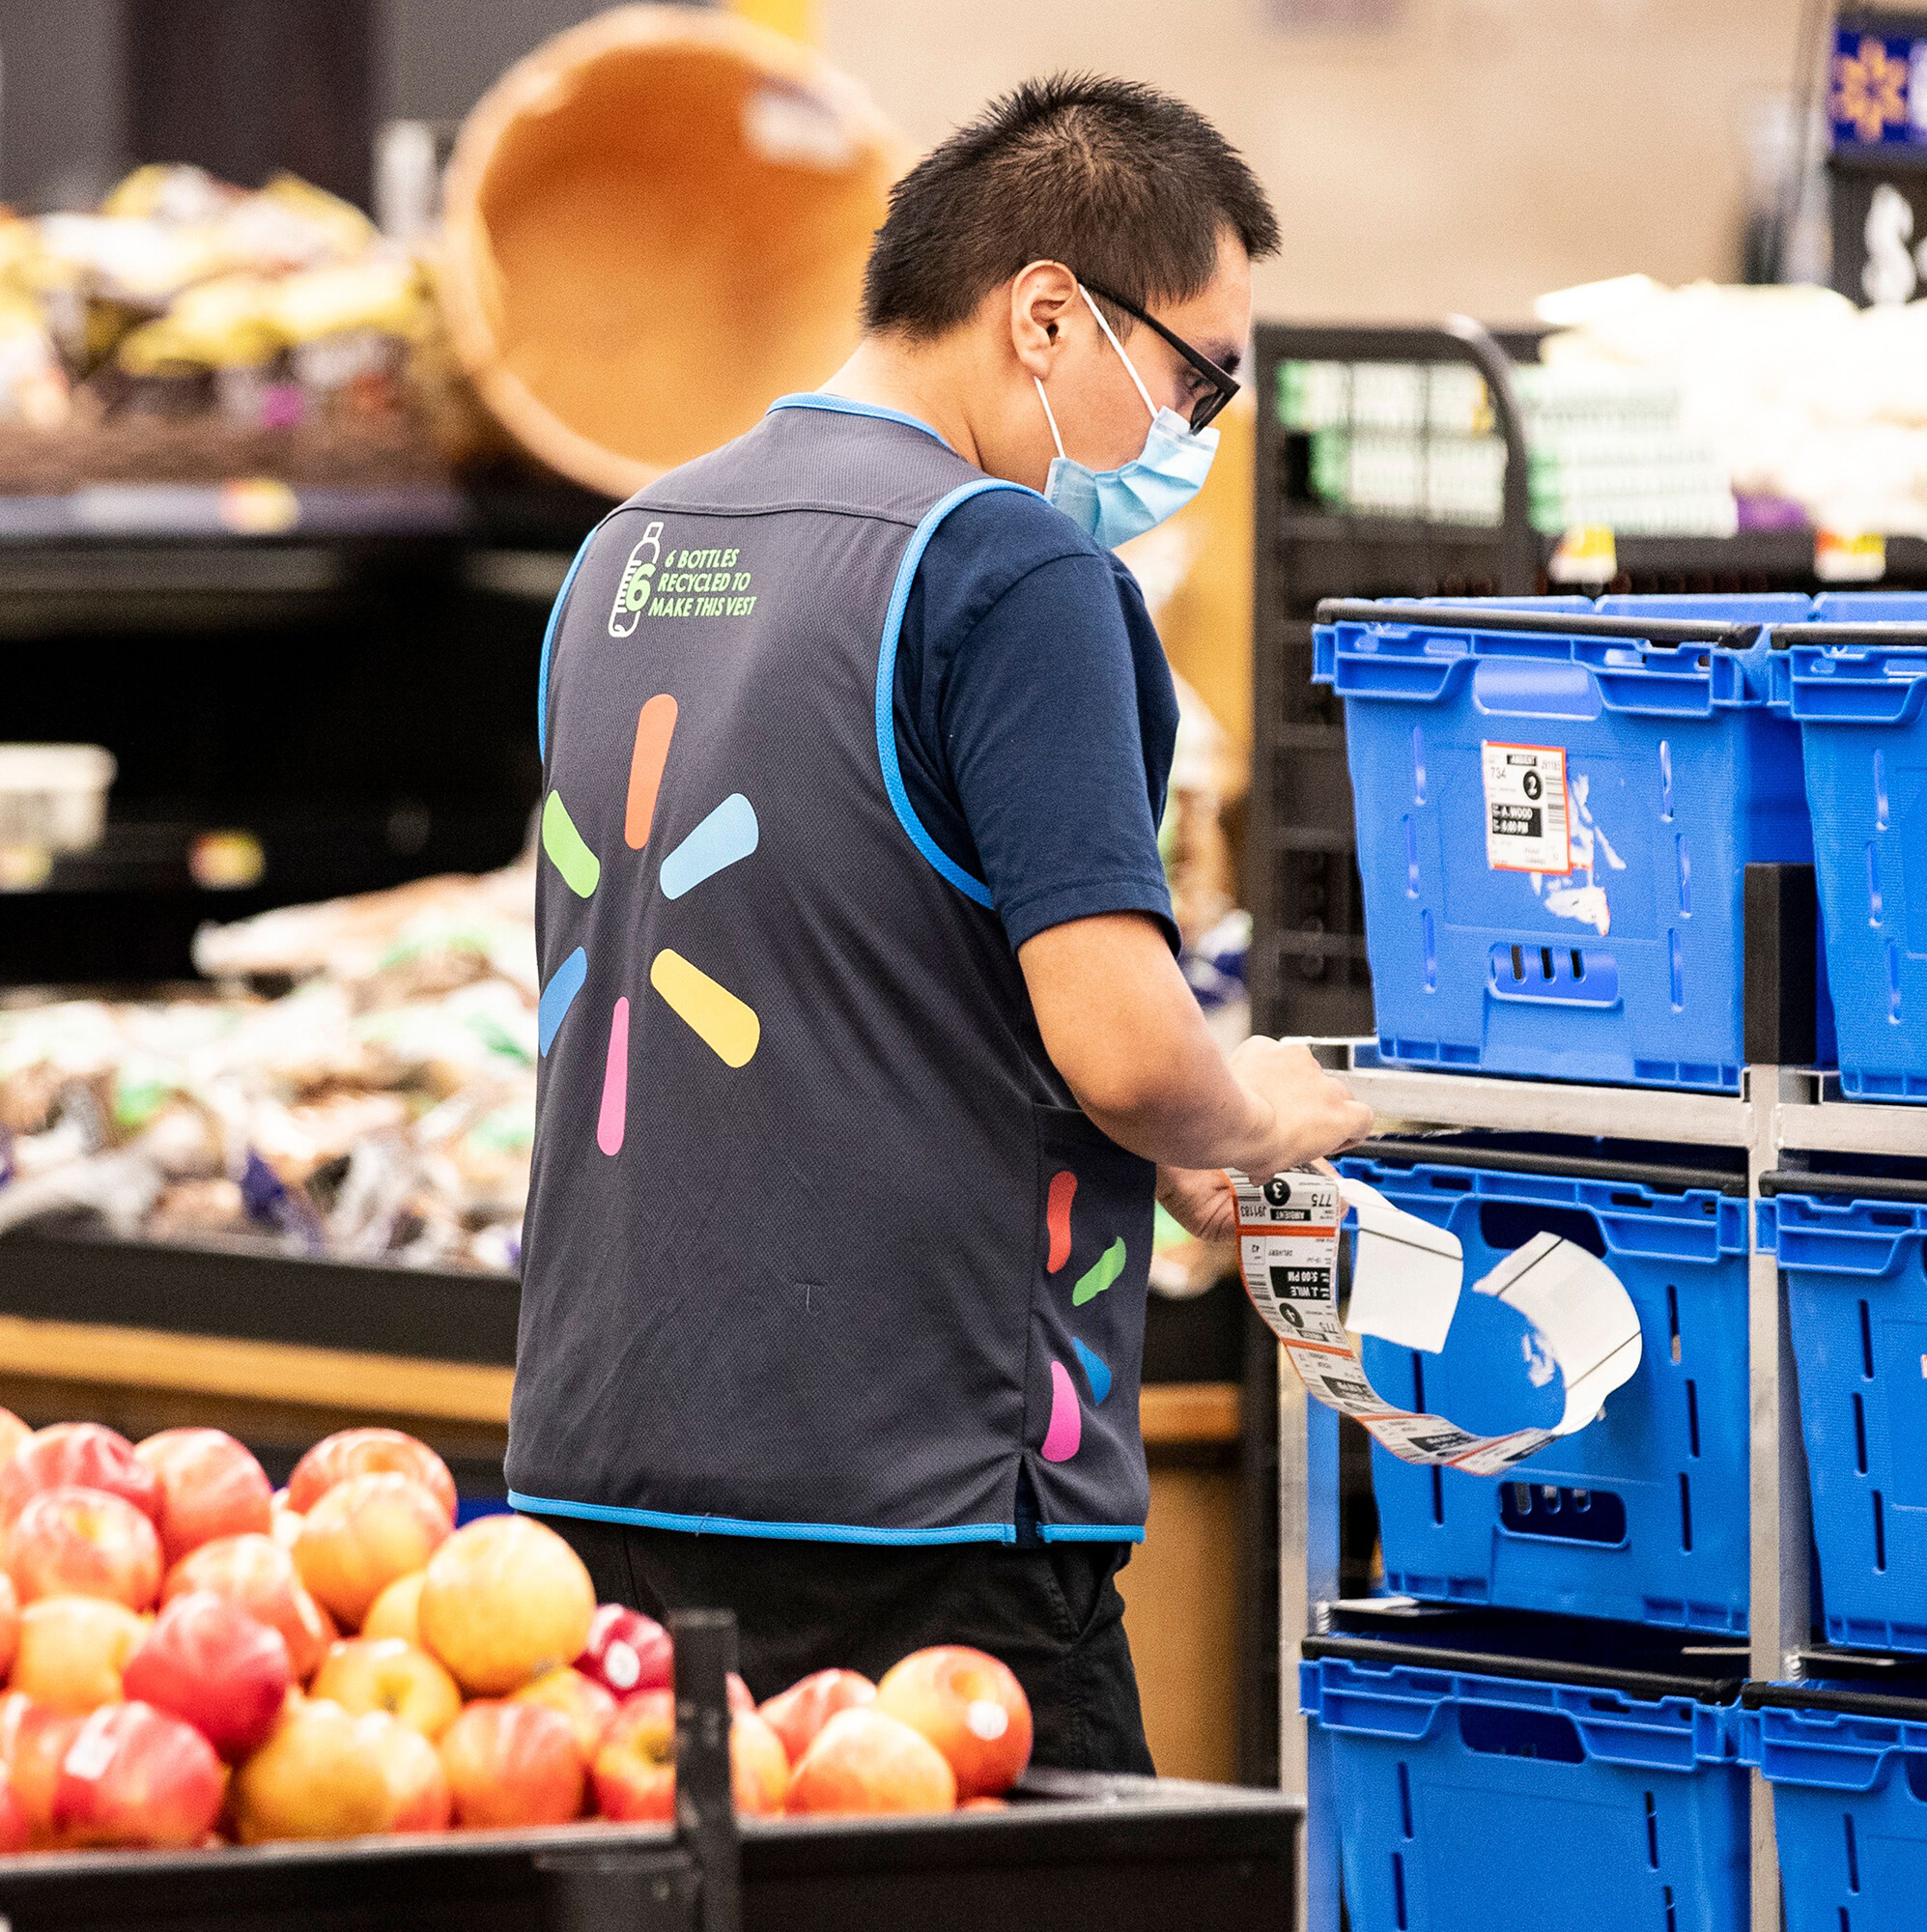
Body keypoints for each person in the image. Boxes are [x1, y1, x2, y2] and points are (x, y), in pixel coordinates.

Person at [507, 73, 1374, 1775]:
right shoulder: (1015, 572)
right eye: (1196, 378)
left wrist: (1161, 1137)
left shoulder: (625, 551)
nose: (1195, 435)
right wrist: (1251, 1111)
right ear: (1046, 315)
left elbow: (845, 952)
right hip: (923, 1515)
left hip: (599, 1486)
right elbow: (1124, 1041)